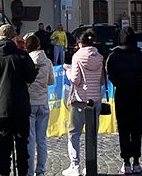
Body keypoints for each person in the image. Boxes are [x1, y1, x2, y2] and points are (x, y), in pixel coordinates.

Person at [0, 24, 37, 176]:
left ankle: (4, 173)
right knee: (22, 146)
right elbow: (31, 76)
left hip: (1, 107)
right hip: (20, 107)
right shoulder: (21, 55)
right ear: (13, 37)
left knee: (3, 147)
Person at [105, 28, 142, 174]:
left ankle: (126, 162)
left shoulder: (113, 56)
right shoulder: (141, 55)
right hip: (137, 93)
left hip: (122, 94)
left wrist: (120, 82)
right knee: (137, 128)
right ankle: (136, 161)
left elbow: (110, 74)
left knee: (123, 129)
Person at [63, 30, 104, 176]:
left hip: (80, 99)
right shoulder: (99, 57)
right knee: (91, 133)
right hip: (95, 98)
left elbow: (75, 80)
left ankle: (75, 165)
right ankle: (90, 165)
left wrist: (67, 71)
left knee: (74, 132)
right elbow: (101, 79)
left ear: (80, 43)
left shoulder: (77, 56)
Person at [24, 34, 54, 176]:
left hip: (30, 102)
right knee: (42, 140)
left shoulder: (27, 60)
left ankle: (29, 171)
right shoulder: (47, 61)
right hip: (43, 102)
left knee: (30, 139)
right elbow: (51, 81)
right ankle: (41, 171)